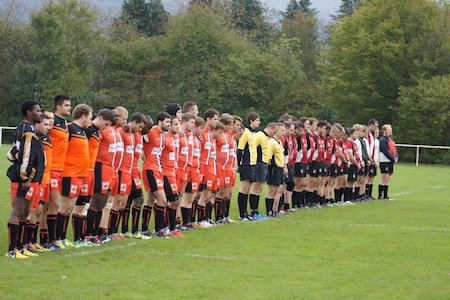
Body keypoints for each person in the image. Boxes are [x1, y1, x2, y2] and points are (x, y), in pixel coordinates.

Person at [6, 100, 43, 258]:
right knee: (18, 211)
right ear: (29, 112)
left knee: (25, 212)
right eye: (38, 111)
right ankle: (12, 250)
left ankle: (21, 247)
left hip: (29, 177)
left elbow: (11, 153)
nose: (40, 113)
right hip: (23, 178)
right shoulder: (28, 129)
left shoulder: (28, 128)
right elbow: (26, 154)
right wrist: (24, 177)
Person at [72, 108, 115, 246]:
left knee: (88, 204)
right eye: (106, 124)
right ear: (101, 118)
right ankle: (84, 235)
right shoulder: (89, 130)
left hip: (89, 171)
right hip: (83, 170)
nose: (106, 127)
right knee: (82, 205)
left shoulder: (96, 132)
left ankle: (90, 234)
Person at [56, 104, 93, 248]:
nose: (90, 121)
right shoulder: (70, 129)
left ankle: (62, 238)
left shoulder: (83, 131)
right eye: (89, 118)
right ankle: (58, 238)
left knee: (70, 208)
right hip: (70, 174)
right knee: (64, 207)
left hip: (80, 175)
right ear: (83, 116)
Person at [47, 95, 71, 250]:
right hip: (50, 169)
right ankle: (50, 240)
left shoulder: (65, 124)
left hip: (61, 169)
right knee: (54, 204)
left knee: (55, 205)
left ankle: (52, 239)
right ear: (58, 107)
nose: (69, 107)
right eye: (67, 105)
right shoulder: (51, 122)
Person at [142, 111, 171, 237]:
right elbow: (139, 138)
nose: (169, 124)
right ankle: (159, 229)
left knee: (150, 200)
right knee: (162, 200)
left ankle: (144, 229)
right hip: (150, 169)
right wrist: (143, 155)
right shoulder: (151, 132)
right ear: (160, 122)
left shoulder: (162, 135)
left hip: (158, 170)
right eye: (167, 122)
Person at [26, 113, 53, 253]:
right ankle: (27, 242)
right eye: (46, 124)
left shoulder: (47, 138)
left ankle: (33, 241)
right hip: (36, 180)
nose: (49, 127)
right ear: (37, 124)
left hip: (45, 179)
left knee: (39, 210)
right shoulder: (34, 138)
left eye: (50, 124)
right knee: (32, 210)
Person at [248, 122, 277, 219]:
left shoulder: (267, 138)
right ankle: (253, 211)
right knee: (256, 187)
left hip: (264, 164)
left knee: (260, 188)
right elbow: (251, 147)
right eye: (274, 131)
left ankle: (256, 211)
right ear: (270, 128)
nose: (274, 133)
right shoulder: (259, 135)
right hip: (259, 163)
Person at [236, 112, 260, 220]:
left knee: (249, 188)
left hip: (253, 164)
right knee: (244, 189)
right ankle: (242, 214)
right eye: (257, 120)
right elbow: (240, 150)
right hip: (246, 164)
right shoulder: (245, 133)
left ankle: (246, 213)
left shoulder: (254, 134)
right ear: (251, 121)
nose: (259, 122)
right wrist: (239, 165)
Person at [265, 123, 287, 217]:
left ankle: (275, 210)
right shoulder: (272, 142)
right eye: (282, 130)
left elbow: (281, 156)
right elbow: (268, 158)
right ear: (276, 131)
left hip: (280, 168)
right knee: (272, 190)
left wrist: (285, 167)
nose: (283, 132)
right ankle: (269, 211)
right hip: (274, 168)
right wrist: (270, 169)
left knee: (278, 189)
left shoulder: (279, 142)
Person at [378, 124, 398, 200]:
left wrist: (396, 157)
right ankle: (380, 196)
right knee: (384, 178)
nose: (390, 131)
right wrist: (393, 158)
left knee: (388, 178)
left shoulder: (391, 140)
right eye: (389, 130)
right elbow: (385, 151)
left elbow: (394, 150)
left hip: (390, 161)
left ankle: (385, 196)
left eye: (391, 130)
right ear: (384, 131)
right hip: (384, 161)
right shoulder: (383, 140)